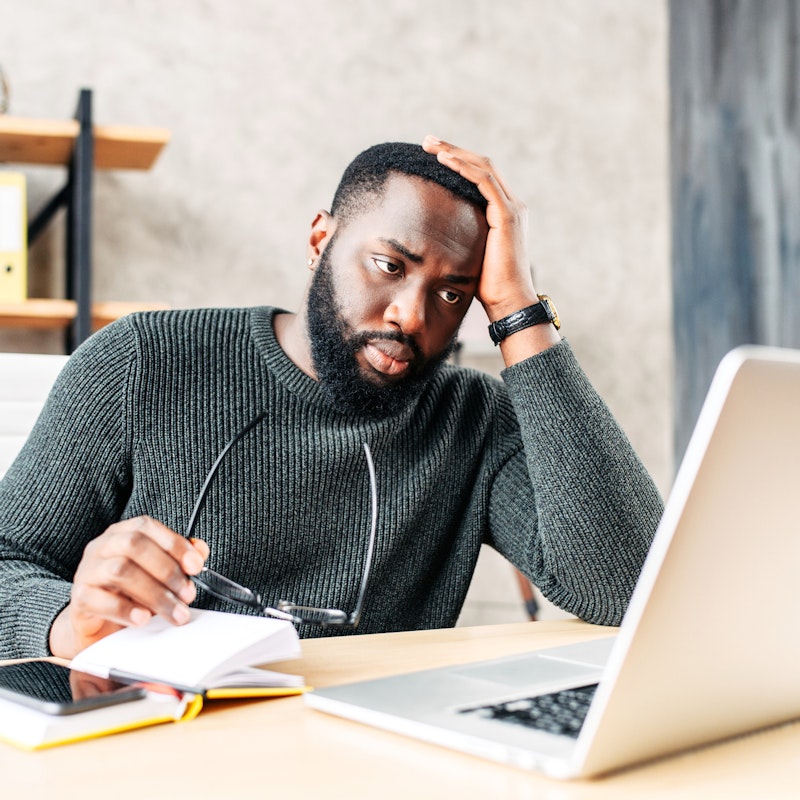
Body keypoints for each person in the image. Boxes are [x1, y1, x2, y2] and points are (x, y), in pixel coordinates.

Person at [0, 137, 664, 661]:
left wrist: (519, 307)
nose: (410, 315)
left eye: (452, 293)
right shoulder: (145, 359)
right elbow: (8, 566)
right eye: (391, 265)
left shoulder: (471, 417)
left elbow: (628, 586)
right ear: (320, 240)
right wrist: (68, 621)